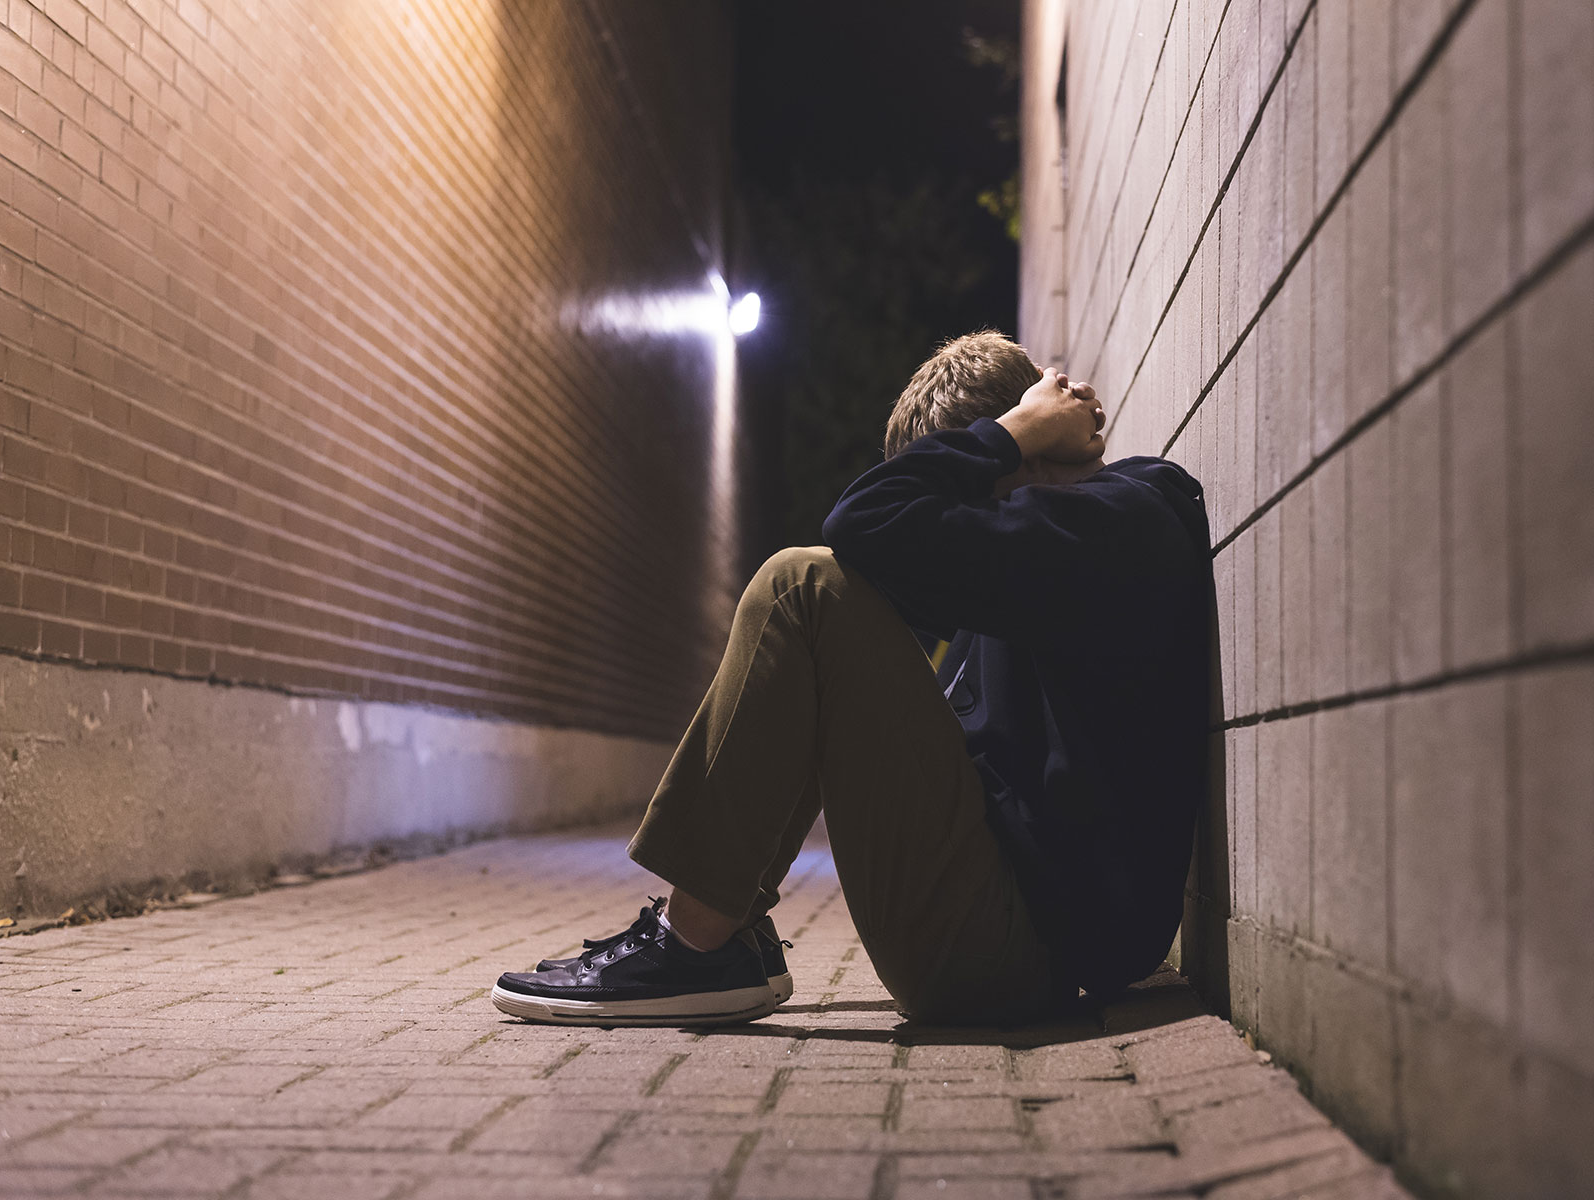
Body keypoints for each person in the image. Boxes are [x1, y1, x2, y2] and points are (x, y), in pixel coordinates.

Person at [491, 331, 1212, 1027]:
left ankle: (693, 942)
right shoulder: (1047, 556)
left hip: (1025, 954)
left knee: (802, 583)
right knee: (824, 617)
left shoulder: (1112, 527)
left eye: (970, 486)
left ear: (1020, 452)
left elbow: (863, 519)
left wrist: (1013, 430)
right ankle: (719, 932)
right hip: (1015, 928)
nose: (959, 519)